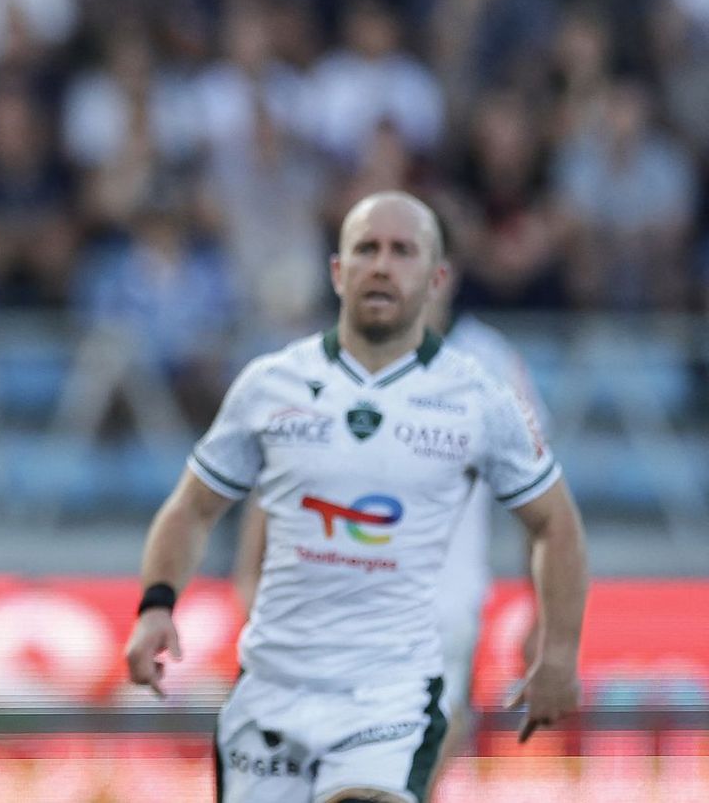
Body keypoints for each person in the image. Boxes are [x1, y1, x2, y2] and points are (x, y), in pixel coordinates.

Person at [123, 192, 588, 803]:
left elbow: (554, 520)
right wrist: (158, 603)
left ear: (437, 278)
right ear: (338, 272)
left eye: (403, 251)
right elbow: (195, 505)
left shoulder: (482, 392)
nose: (382, 265)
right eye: (366, 249)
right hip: (275, 683)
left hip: (398, 682)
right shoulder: (272, 384)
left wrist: (557, 645)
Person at [230, 236, 553, 784]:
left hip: (440, 601)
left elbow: (539, 501)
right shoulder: (332, 361)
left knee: (420, 752)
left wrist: (544, 615)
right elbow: (280, 479)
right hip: (330, 597)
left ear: (440, 276)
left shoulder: (490, 362)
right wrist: (248, 579)